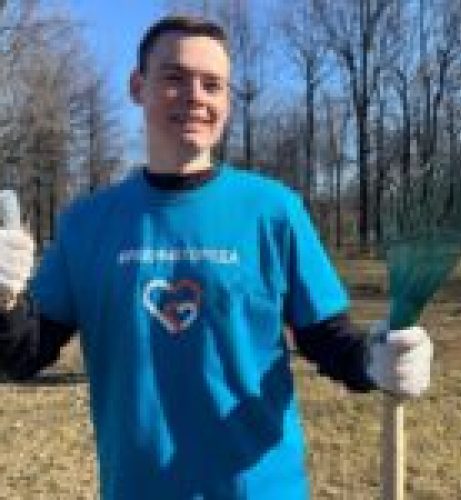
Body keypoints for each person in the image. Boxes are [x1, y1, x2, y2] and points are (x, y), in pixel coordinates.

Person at [0, 16, 432, 500]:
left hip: (261, 489)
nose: (195, 97)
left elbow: (327, 338)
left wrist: (376, 360)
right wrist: (3, 301)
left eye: (212, 85)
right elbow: (21, 356)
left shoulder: (274, 210)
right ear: (138, 86)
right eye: (175, 78)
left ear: (227, 100)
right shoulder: (86, 223)